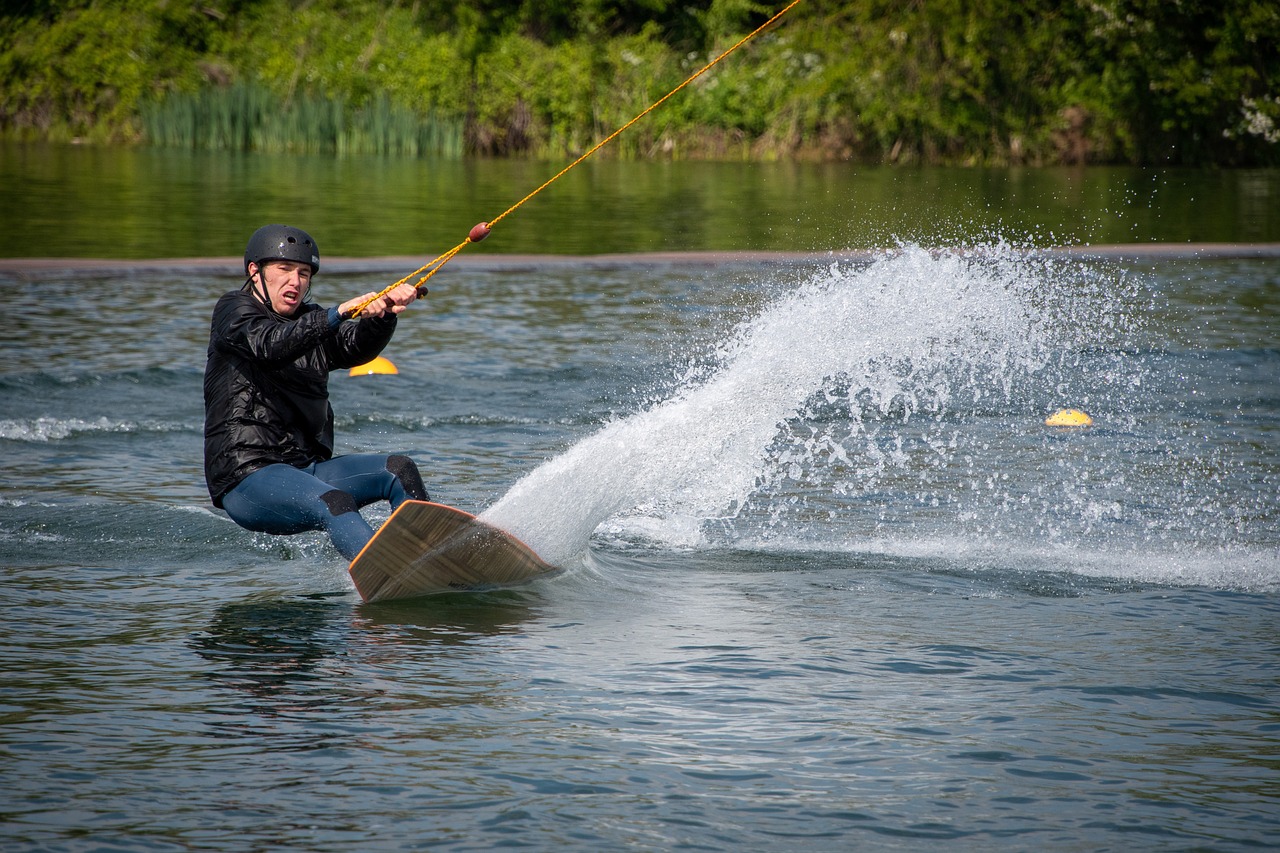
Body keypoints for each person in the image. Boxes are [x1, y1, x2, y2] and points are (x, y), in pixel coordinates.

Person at [203, 224, 429, 561]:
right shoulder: (234, 311)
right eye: (284, 269)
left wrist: (381, 316)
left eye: (304, 273)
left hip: (306, 470)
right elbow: (270, 345)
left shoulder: (310, 319)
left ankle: (431, 556)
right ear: (255, 272)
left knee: (399, 469)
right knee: (336, 501)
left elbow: (352, 349)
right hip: (247, 477)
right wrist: (336, 313)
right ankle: (386, 571)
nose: (295, 281)